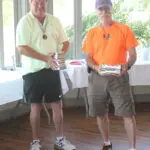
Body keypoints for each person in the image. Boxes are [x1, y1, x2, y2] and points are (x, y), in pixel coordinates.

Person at [16, 0, 76, 150]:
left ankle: (60, 140)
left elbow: (66, 42)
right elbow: (22, 48)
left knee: (57, 106)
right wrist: (46, 58)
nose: (40, 5)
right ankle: (35, 142)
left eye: (43, 2)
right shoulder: (24, 22)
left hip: (52, 70)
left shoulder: (55, 20)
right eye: (36, 2)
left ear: (47, 3)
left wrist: (61, 53)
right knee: (35, 108)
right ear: (30, 2)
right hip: (32, 71)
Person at [82, 0, 138, 150]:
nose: (104, 12)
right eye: (101, 9)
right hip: (97, 77)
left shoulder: (124, 29)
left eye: (107, 9)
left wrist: (127, 65)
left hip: (119, 77)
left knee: (128, 113)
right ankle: (107, 143)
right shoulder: (92, 32)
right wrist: (95, 67)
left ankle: (132, 148)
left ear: (112, 10)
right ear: (96, 11)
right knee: (100, 112)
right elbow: (88, 57)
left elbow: (132, 54)